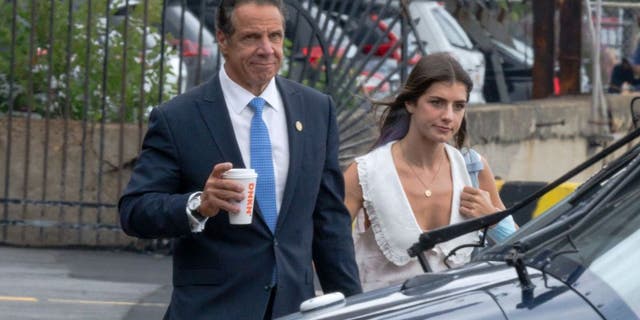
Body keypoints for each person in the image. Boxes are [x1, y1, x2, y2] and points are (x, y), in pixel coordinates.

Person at [118, 0, 361, 319]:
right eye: (251, 38)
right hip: (213, 308)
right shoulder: (179, 118)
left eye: (275, 36)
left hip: (292, 308)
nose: (267, 49)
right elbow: (134, 211)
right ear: (222, 40)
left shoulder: (316, 111)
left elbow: (330, 220)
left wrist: (355, 307)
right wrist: (198, 206)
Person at [343, 53, 512, 291]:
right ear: (411, 103)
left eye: (459, 106)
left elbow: (519, 248)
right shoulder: (364, 173)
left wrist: (491, 218)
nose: (448, 116)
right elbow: (325, 248)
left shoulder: (473, 168)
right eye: (436, 102)